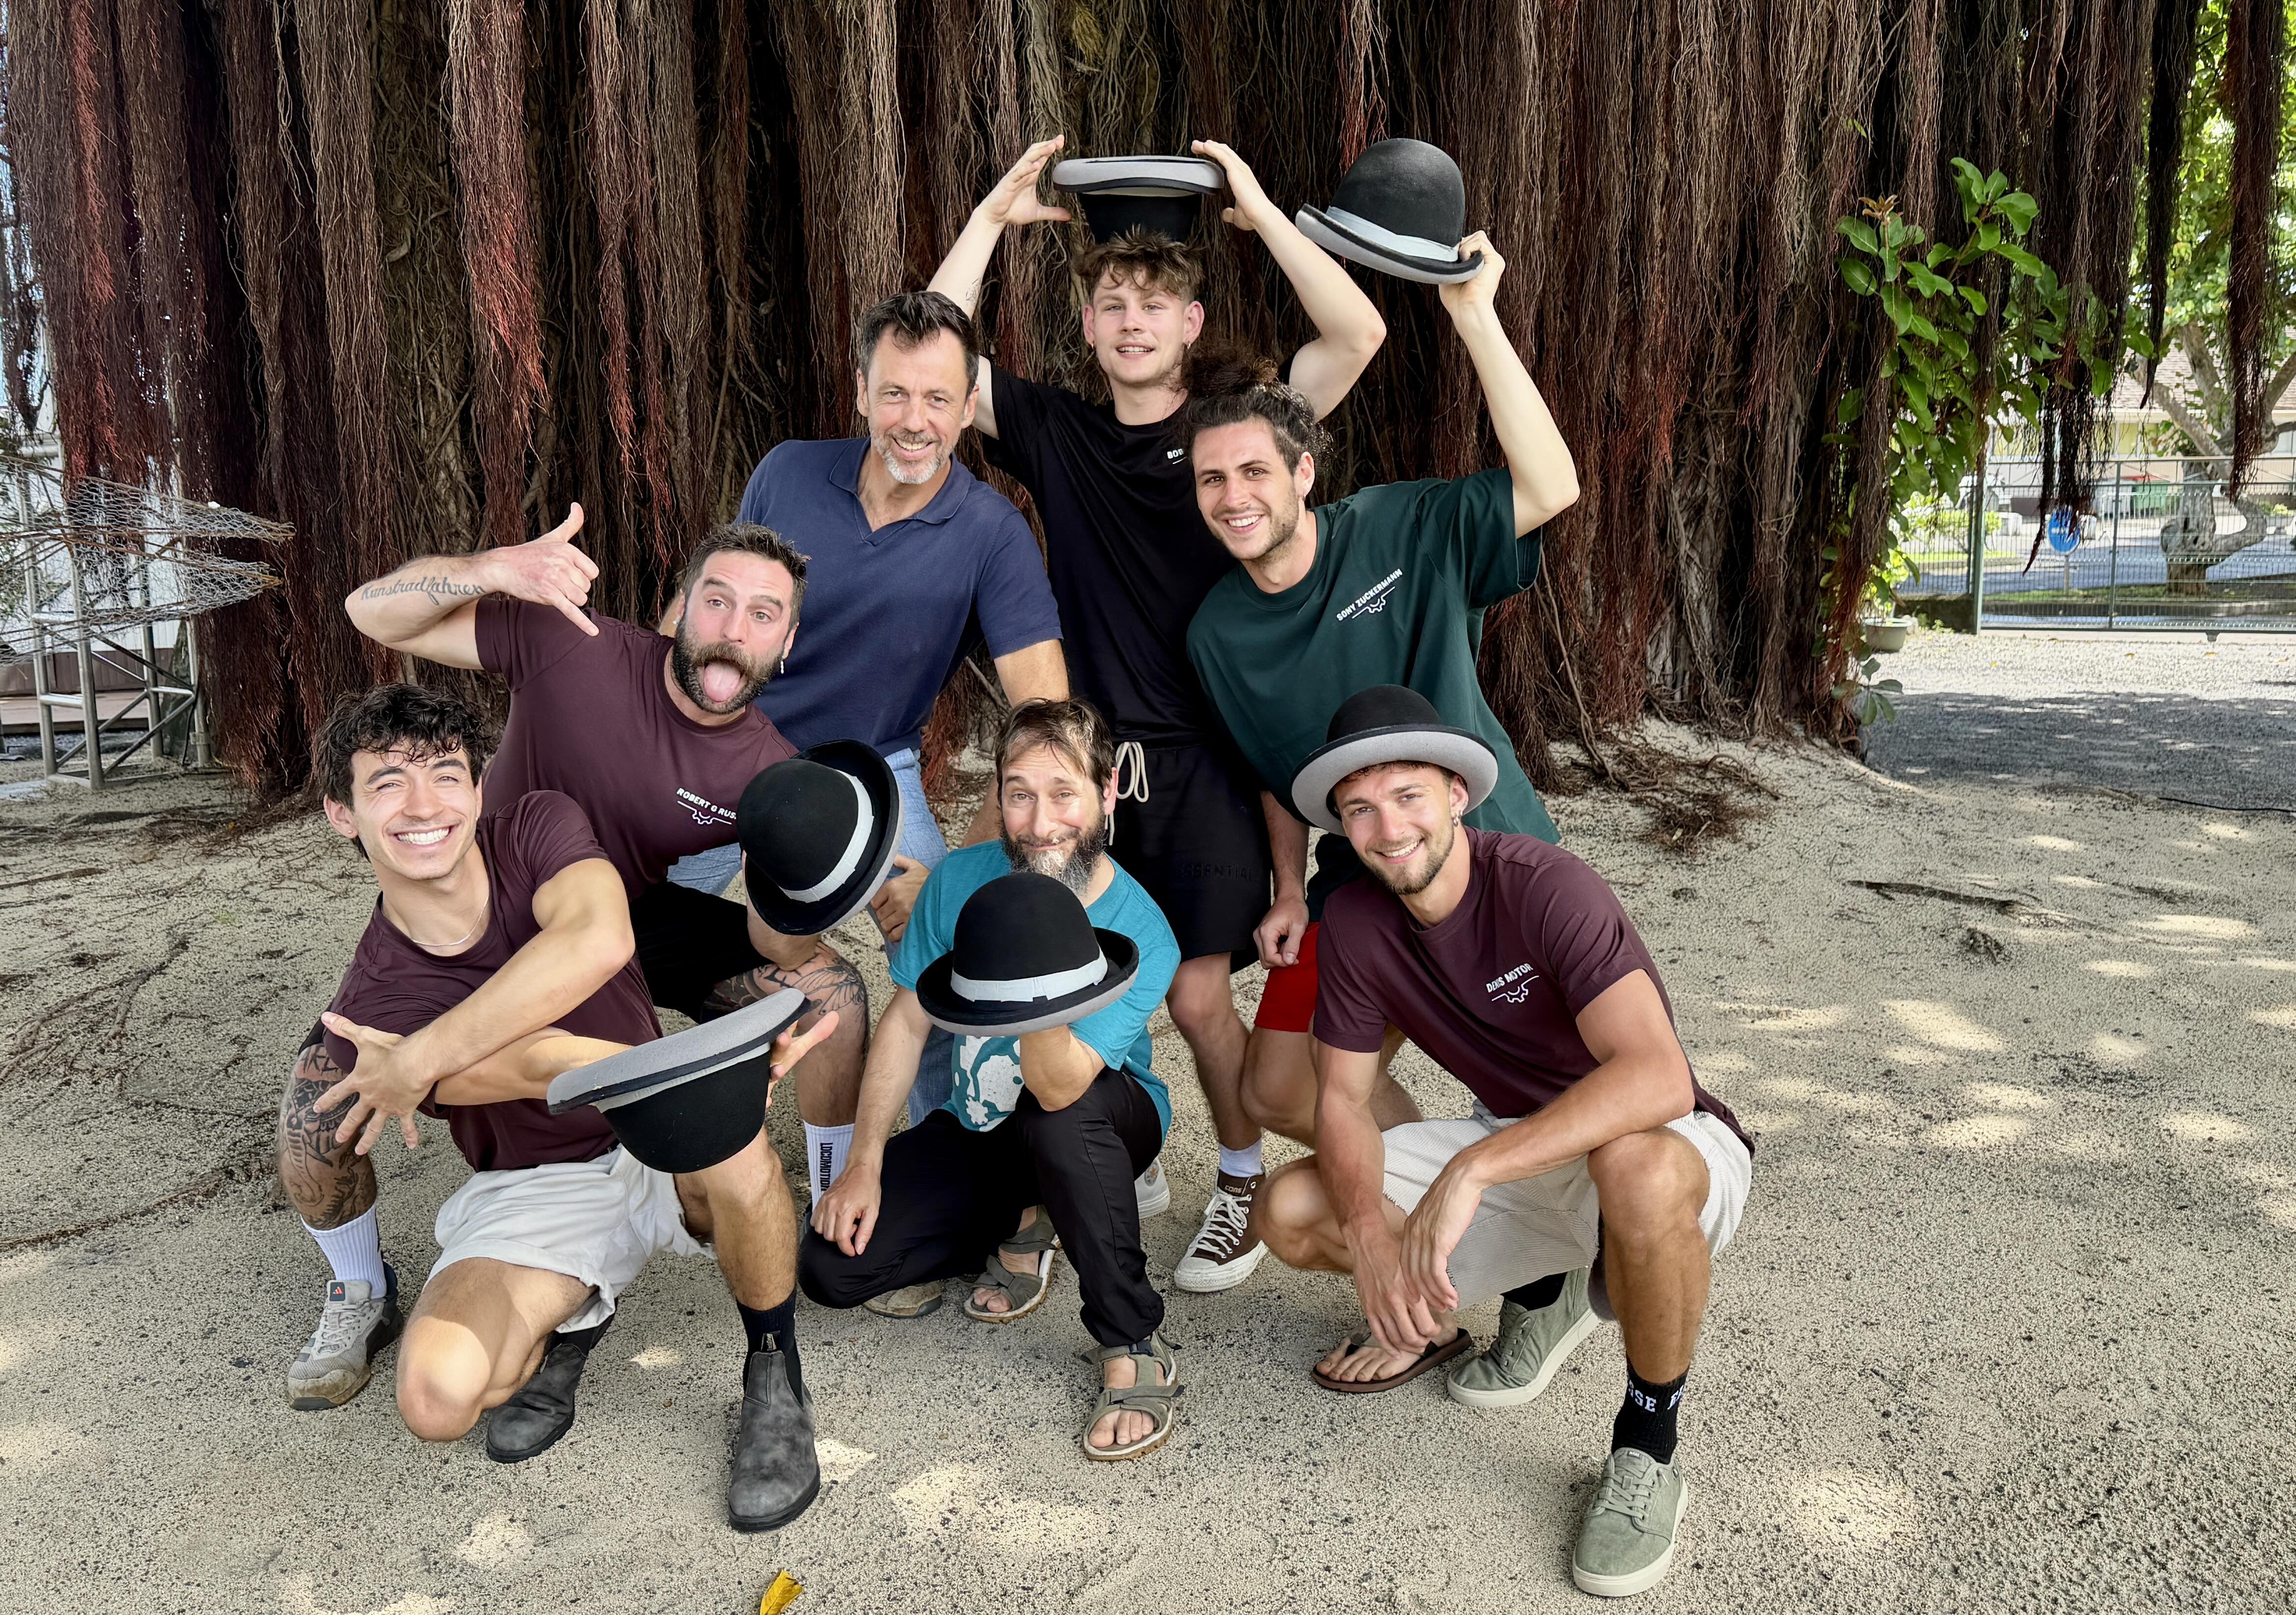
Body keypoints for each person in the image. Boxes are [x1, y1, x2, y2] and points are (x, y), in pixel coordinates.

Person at [927, 135, 1389, 1294]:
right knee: (1070, 965)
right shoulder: (1058, 434)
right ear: (1084, 324)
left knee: (1190, 989)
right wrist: (989, 217)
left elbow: (1357, 336)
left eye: (1155, 302)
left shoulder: (1235, 435)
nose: (1131, 319)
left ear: (1189, 324)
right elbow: (936, 358)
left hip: (1211, 763)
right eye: (1109, 301)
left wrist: (1260, 207)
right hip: (1091, 765)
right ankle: (1099, 1155)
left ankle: (1235, 1174)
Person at [280, 517, 867, 1411]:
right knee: (314, 1107)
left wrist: (835, 883)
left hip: (621, 916)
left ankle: (829, 1213)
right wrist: (492, 569)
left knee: (831, 992)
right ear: (679, 608)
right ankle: (360, 1289)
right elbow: (372, 613)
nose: (733, 627)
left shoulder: (770, 773)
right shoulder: (571, 642)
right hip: (490, 895)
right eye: (716, 600)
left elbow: (771, 937)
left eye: (762, 614)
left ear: (786, 643)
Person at [1176, 232, 1596, 1391]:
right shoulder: (1216, 630)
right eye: (1212, 480)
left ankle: (1548, 1279)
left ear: (1302, 470)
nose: (1233, 497)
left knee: (1540, 1089)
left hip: (1484, 857)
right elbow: (1273, 768)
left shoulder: (1402, 528)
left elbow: (1550, 485)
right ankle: (1427, 1240)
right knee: (1277, 1086)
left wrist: (1472, 315)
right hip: (1359, 881)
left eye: (1253, 472)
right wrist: (1285, 891)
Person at [295, 684, 839, 1530]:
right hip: (539, 1186)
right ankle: (575, 1314)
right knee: (435, 1401)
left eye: (445, 773)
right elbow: (542, 1063)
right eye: (387, 784)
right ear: (342, 813)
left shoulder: (539, 826)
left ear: (479, 788)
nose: (425, 804)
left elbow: (599, 939)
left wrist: (423, 1059)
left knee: (733, 1150)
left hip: (664, 1140)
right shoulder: (371, 1006)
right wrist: (703, 1065)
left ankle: (773, 1370)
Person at [1251, 688, 1753, 1597]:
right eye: (1359, 808)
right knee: (1289, 1209)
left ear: (1454, 792)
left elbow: (1657, 1076)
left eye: (1406, 794)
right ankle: (1540, 1291)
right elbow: (1340, 1102)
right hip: (1523, 1143)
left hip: (1660, 1138)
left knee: (1629, 1166)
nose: (1386, 825)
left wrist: (1471, 1168)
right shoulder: (1359, 923)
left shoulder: (1545, 883)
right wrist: (1369, 1234)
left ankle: (1648, 1444)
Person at [799, 699, 1185, 1460]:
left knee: (1058, 1123)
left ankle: (1132, 1338)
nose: (1039, 822)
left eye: (1063, 792)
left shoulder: (1143, 927)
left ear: (1107, 794)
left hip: (1102, 1115)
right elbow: (908, 1022)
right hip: (981, 1122)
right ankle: (1029, 1217)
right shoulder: (959, 880)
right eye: (1017, 792)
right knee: (830, 1270)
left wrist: (1036, 944)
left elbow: (1063, 1086)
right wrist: (865, 1165)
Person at [729, 288, 1069, 1142]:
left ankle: (938, 1151)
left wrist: (966, 864)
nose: (913, 420)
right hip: (729, 746)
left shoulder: (993, 533)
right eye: (894, 393)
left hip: (871, 769)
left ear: (966, 408)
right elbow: (704, 619)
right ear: (859, 392)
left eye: (937, 399)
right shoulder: (787, 471)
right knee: (611, 913)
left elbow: (1044, 713)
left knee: (948, 950)